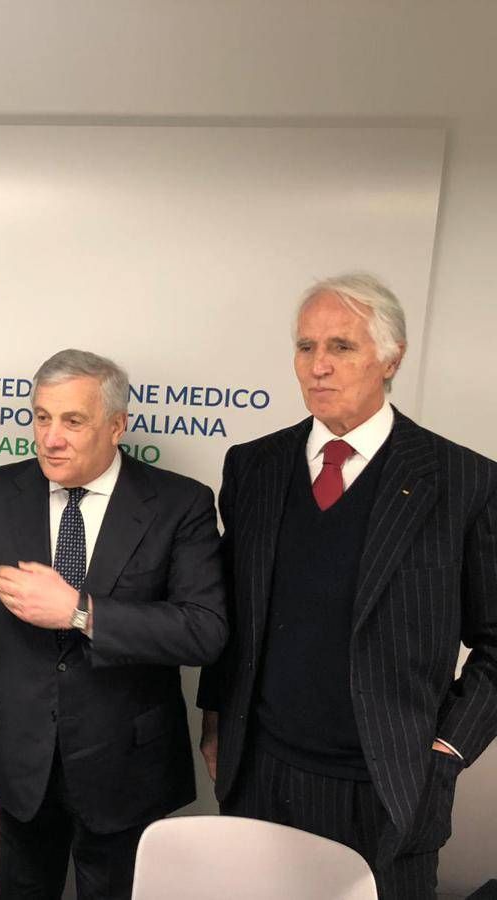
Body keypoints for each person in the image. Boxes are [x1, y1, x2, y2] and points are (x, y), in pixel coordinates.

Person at [197, 273, 497, 900]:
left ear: (392, 358)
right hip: (260, 775)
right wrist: (216, 718)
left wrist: (448, 749)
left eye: (341, 347)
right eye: (306, 347)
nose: (318, 366)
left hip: (389, 787)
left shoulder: (463, 481)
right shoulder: (253, 466)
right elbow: (234, 611)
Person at [0, 349, 227, 900]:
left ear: (117, 425)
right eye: (42, 417)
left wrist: (82, 612)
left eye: (73, 421)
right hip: (15, 764)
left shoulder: (180, 503)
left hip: (128, 768)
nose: (51, 438)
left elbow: (203, 630)